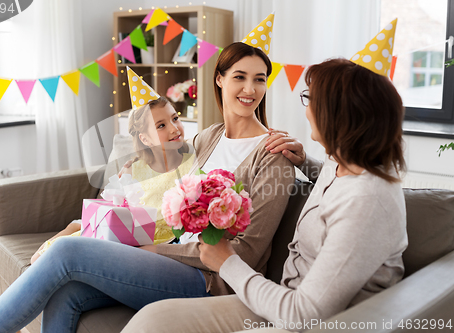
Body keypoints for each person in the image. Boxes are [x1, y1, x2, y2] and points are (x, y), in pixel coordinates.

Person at [0, 41, 295, 333]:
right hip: (170, 258)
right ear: (220, 79)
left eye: (260, 78)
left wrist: (152, 250)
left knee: (67, 250)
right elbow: (165, 161)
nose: (250, 88)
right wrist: (136, 163)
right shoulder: (209, 137)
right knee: (66, 295)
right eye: (240, 76)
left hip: (212, 278)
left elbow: (248, 253)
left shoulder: (273, 156)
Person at [119, 57, 408, 333]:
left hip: (312, 321)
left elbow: (303, 314)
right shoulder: (342, 161)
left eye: (311, 99)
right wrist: (304, 161)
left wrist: (226, 261)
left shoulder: (367, 202)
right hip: (279, 298)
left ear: (339, 115)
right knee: (151, 320)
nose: (306, 110)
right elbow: (335, 185)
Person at [29, 96, 193, 264]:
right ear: (145, 139)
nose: (174, 128)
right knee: (40, 256)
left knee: (59, 253)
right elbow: (117, 209)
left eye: (175, 118)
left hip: (158, 238)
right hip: (125, 232)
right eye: (161, 125)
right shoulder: (134, 168)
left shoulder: (193, 163)